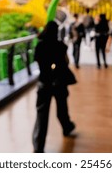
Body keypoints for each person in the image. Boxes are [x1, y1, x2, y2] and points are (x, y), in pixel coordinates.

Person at [32, 21, 76, 153]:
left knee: (42, 115)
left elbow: (37, 62)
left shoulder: (39, 46)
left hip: (44, 83)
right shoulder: (60, 46)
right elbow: (66, 62)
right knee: (62, 108)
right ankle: (67, 127)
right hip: (59, 82)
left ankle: (38, 146)